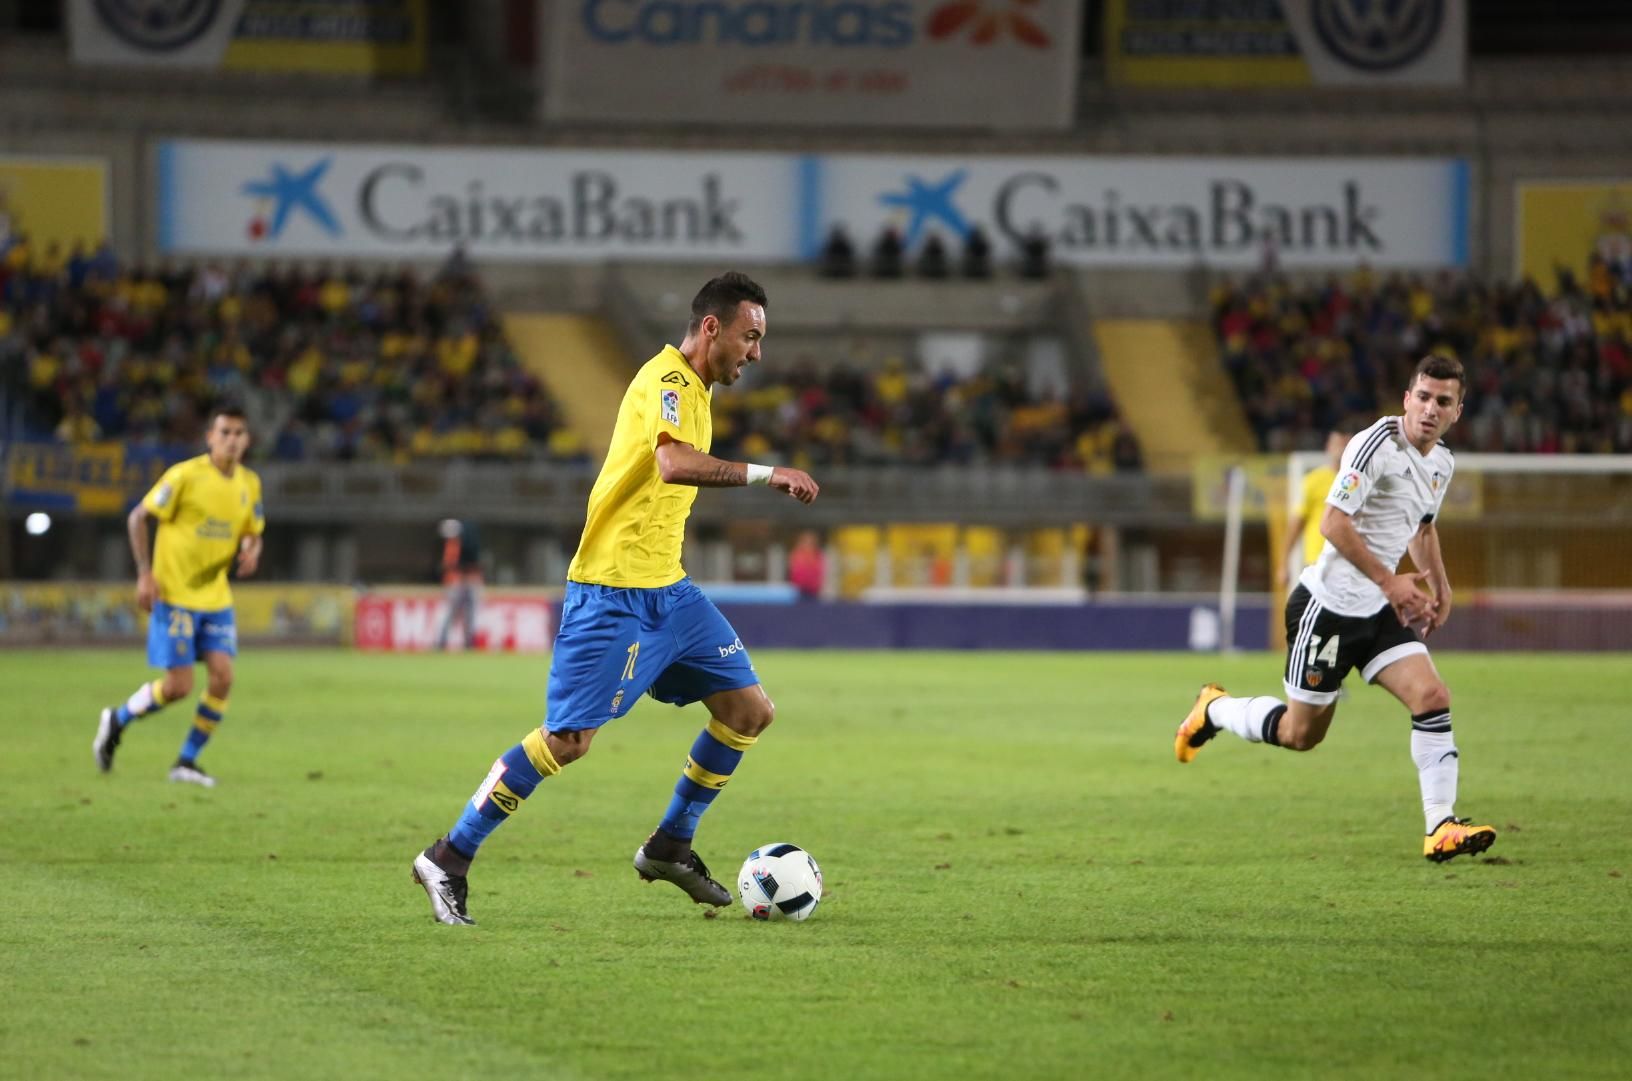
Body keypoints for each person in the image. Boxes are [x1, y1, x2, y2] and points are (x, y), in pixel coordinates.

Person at [411, 272, 820, 925]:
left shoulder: (700, 391)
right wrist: (771, 473)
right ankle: (449, 856)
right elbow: (673, 463)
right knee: (568, 739)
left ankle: (669, 844)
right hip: (612, 592)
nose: (757, 352)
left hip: (670, 590)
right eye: (751, 336)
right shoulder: (665, 381)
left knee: (748, 710)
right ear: (712, 327)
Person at [1174, 355, 1497, 863]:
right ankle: (1213, 708)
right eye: (1424, 397)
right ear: (1407, 398)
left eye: (1444, 401)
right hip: (1326, 611)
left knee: (1432, 695)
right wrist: (1392, 582)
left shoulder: (1442, 463)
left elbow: (1424, 526)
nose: (1431, 409)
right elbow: (1332, 524)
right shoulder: (1374, 445)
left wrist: (1440, 584)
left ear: (1458, 410)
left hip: (1379, 612)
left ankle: (1440, 825)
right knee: (1300, 736)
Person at [93, 406, 265, 787]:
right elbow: (138, 517)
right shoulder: (185, 476)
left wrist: (252, 548)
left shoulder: (249, 483)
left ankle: (186, 761)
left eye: (239, 433)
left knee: (223, 677)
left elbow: (252, 528)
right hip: (175, 595)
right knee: (179, 687)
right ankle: (117, 719)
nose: (232, 439)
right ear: (210, 437)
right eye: (225, 432)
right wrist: (143, 574)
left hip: (216, 596)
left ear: (247, 440)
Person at [1282, 426, 1351, 590]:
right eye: (1337, 444)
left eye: (1345, 444)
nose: (1341, 449)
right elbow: (1296, 523)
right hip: (1317, 560)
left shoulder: (1360, 481)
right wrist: (1283, 563)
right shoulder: (1313, 481)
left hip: (1350, 562)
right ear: (1328, 447)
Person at [434, 518, 483, 651]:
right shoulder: (454, 545)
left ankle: (467, 643)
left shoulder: (460, 545)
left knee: (465, 614)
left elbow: (452, 565)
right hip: (457, 583)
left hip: (461, 583)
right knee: (454, 614)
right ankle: (444, 642)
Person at [787, 529, 826, 600]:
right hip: (799, 591)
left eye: (811, 542)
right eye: (805, 541)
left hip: (814, 591)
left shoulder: (818, 555)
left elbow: (819, 574)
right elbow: (795, 573)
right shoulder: (797, 554)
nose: (808, 544)